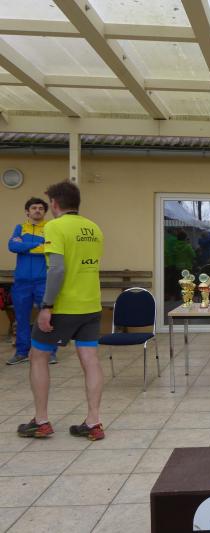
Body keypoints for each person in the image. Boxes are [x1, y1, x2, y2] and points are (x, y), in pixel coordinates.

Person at [17, 181, 106, 441]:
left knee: (37, 356)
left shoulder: (55, 227)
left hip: (63, 307)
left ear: (54, 204)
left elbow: (56, 269)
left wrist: (47, 306)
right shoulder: (94, 228)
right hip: (91, 305)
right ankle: (94, 422)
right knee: (90, 359)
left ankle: (41, 421)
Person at [7, 197, 57, 365]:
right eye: (34, 208)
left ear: (44, 212)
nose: (37, 210)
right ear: (27, 212)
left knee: (48, 317)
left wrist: (25, 245)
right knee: (21, 318)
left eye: (41, 208)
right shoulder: (20, 228)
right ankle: (22, 352)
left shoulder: (50, 227)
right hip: (21, 282)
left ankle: (50, 352)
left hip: (43, 281)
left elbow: (50, 247)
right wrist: (37, 244)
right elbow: (12, 246)